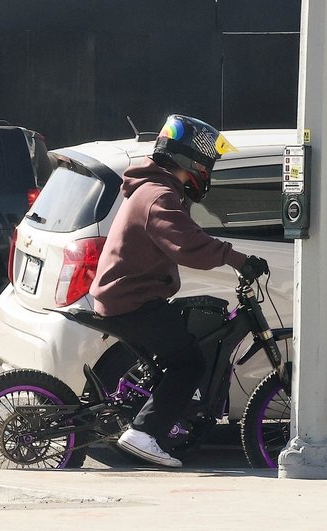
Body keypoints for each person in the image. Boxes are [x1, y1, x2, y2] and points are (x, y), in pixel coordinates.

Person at [90, 114, 268, 468]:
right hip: (131, 302)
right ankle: (144, 432)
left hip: (133, 296)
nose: (208, 170)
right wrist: (237, 258)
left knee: (188, 335)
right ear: (191, 161)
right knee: (189, 363)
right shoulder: (159, 197)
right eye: (207, 162)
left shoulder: (155, 190)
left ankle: (165, 417)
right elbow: (189, 244)